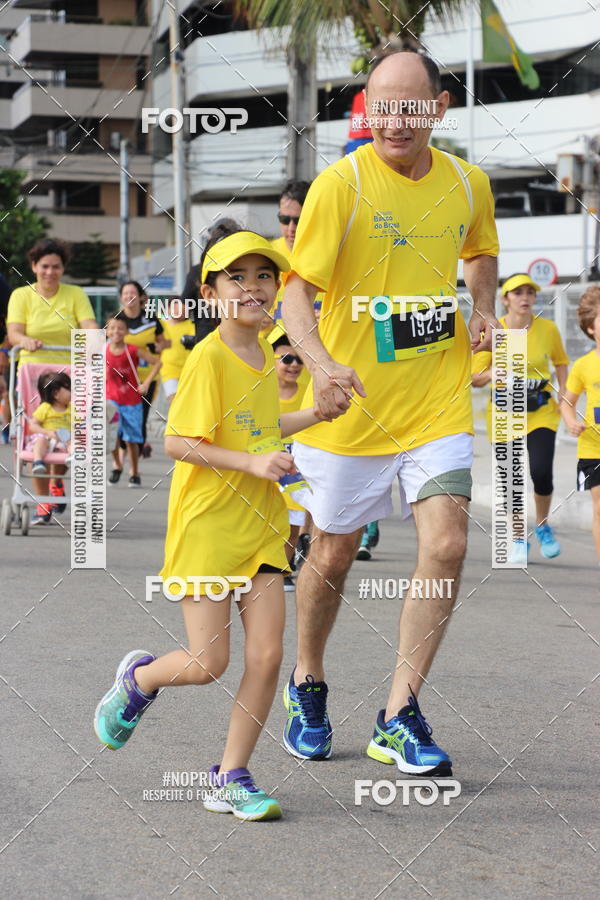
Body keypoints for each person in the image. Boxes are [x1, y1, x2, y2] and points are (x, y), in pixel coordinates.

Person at [281, 50, 499, 772]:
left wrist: (485, 305)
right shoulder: (341, 185)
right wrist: (321, 364)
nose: (395, 120)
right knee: (333, 551)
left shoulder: (469, 183)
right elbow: (295, 293)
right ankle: (307, 678)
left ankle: (399, 713)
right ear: (366, 109)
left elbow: (481, 252)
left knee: (448, 545)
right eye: (381, 105)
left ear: (438, 108)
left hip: (435, 402)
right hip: (353, 408)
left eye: (411, 105)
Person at [94, 225, 342, 821]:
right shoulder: (207, 356)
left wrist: (316, 411)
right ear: (210, 295)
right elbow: (179, 441)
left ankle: (231, 774)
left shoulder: (265, 355)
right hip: (208, 526)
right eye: (238, 277)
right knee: (209, 664)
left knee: (267, 657)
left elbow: (260, 429)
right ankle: (141, 679)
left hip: (260, 525)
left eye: (265, 277)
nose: (253, 288)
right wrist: (254, 462)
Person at [472, 274, 568, 564]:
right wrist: (493, 373)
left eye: (530, 292)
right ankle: (517, 539)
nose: (525, 297)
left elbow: (561, 362)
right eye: (517, 293)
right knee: (511, 480)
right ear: (505, 299)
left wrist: (564, 393)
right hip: (504, 414)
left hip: (540, 414)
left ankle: (542, 526)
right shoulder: (493, 330)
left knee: (540, 472)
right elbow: (474, 377)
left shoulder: (548, 329)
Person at [6, 238, 98, 365]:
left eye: (56, 267)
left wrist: (94, 339)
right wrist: (25, 340)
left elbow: (89, 325)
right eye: (45, 266)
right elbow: (14, 333)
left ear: (63, 268)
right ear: (34, 266)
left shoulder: (76, 293)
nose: (50, 272)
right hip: (31, 373)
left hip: (69, 374)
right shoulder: (20, 295)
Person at [561, 285, 600, 562]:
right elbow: (566, 402)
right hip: (593, 448)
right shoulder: (583, 366)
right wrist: (571, 422)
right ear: (590, 328)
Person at [105, 316, 162, 487]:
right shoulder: (102, 350)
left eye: (120, 328)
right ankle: (117, 464)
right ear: (107, 331)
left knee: (131, 440)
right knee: (111, 436)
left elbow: (158, 362)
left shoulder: (133, 350)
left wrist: (146, 383)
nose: (116, 331)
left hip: (131, 401)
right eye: (112, 328)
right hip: (111, 401)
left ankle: (135, 471)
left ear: (127, 332)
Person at [272, 332, 308, 591]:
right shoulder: (259, 393)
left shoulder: (309, 394)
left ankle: (284, 570)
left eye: (298, 359)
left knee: (292, 526)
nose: (293, 365)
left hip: (296, 471)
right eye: (286, 358)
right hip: (262, 469)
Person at [115, 280, 166, 456]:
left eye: (132, 293)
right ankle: (124, 447)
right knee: (123, 413)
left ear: (140, 297)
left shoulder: (151, 318)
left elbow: (163, 343)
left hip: (148, 377)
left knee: (141, 415)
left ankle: (135, 454)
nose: (129, 296)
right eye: (125, 293)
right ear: (121, 297)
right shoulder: (117, 320)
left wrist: (158, 347)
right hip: (123, 376)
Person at [28, 371, 72, 526]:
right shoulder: (45, 407)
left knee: (72, 443)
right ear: (55, 394)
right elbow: (33, 425)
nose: (71, 392)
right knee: (40, 441)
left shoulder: (71, 408)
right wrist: (47, 432)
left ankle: (57, 481)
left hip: (65, 440)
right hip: (48, 437)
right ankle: (38, 462)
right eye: (67, 388)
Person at [158, 297, 195, 404]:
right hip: (169, 370)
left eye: (184, 309)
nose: (181, 311)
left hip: (189, 370)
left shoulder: (191, 324)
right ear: (168, 309)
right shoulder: (162, 324)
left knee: (188, 401)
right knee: (174, 400)